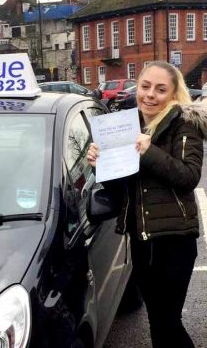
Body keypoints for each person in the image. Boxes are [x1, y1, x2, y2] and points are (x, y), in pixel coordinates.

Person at [87, 61, 207, 348]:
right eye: (145, 86)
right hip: (141, 241)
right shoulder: (128, 126)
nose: (150, 94)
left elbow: (189, 176)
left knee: (168, 321)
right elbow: (122, 188)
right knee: (157, 319)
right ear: (137, 88)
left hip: (174, 242)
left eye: (160, 89)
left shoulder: (184, 124)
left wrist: (148, 150)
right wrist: (98, 165)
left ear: (174, 94)